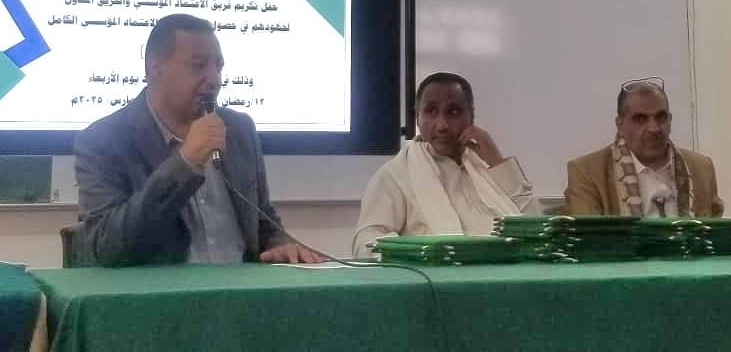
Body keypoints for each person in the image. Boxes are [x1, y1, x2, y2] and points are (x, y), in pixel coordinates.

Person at [74, 14, 321, 266]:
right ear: (155, 68)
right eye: (198, 65)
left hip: (244, 286)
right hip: (163, 290)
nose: (214, 79)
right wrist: (185, 164)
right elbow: (106, 246)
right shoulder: (103, 141)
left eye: (218, 66)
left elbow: (264, 221)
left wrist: (281, 244)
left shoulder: (239, 129)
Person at [351, 72, 541, 257]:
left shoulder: (487, 166)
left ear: (471, 116)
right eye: (431, 111)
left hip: (509, 271)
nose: (442, 125)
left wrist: (497, 162)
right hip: (434, 275)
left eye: (454, 112)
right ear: (417, 117)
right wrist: (419, 253)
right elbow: (365, 241)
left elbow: (539, 230)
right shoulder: (396, 174)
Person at [564, 77, 724, 217]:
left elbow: (715, 235)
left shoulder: (701, 168)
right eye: (640, 119)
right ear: (620, 125)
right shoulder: (587, 172)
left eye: (660, 117)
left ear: (670, 120)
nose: (654, 128)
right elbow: (589, 239)